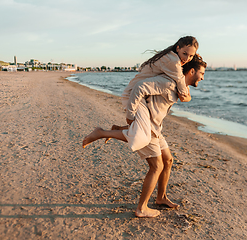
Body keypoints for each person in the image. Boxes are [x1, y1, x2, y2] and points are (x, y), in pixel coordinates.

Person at [82, 55, 207, 218]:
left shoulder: (179, 86)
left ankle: (161, 197)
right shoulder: (168, 83)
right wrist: (131, 114)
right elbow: (140, 87)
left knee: (168, 160)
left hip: (156, 128)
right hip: (148, 126)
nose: (203, 78)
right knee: (156, 167)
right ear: (192, 71)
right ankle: (142, 208)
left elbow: (185, 96)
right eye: (202, 73)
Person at [105, 36, 199, 149]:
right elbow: (183, 92)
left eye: (191, 56)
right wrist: (130, 114)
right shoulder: (173, 62)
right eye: (185, 53)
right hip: (133, 94)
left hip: (140, 94)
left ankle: (118, 129)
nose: (187, 58)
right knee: (141, 138)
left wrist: (193, 57)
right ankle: (102, 133)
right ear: (178, 48)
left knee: (144, 131)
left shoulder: (170, 55)